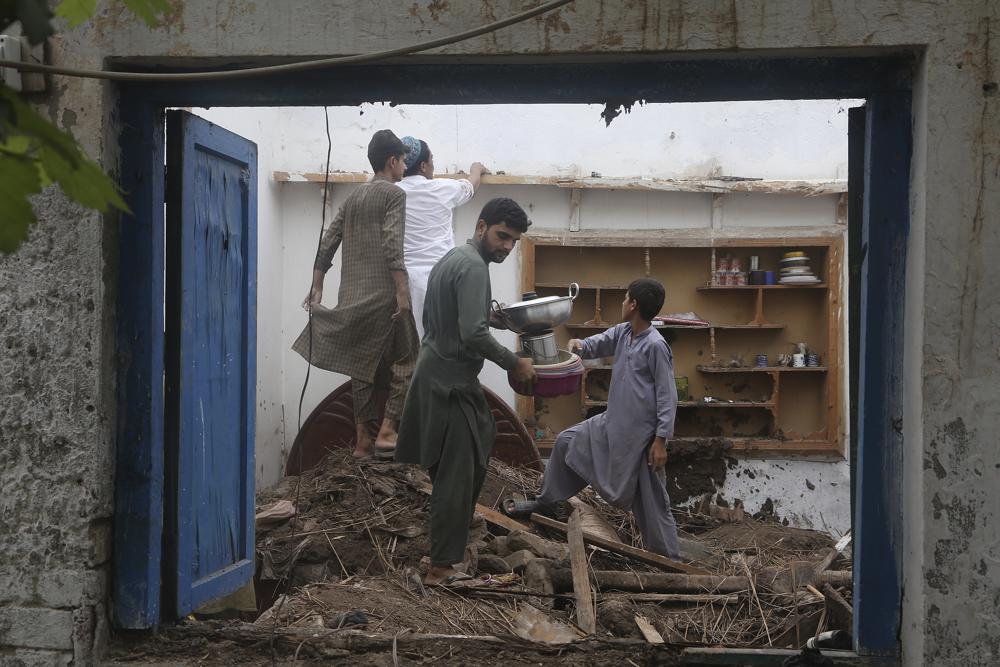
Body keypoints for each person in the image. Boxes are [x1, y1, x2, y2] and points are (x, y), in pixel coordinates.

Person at [395, 197, 537, 585]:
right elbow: (472, 334)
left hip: (438, 374)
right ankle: (442, 566)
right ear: (481, 227)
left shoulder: (454, 258)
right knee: (457, 475)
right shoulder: (475, 267)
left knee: (471, 455)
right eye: (502, 236)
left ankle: (446, 551)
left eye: (514, 241)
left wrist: (490, 316)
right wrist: (514, 362)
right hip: (449, 384)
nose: (507, 246)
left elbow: (453, 317)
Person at [530, 278, 681, 560]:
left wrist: (661, 441)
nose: (623, 302)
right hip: (611, 423)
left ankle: (669, 561)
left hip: (642, 438)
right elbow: (599, 343)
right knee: (566, 441)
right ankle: (547, 501)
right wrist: (580, 344)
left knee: (653, 501)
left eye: (625, 298)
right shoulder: (625, 332)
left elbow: (667, 396)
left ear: (633, 304)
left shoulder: (656, 346)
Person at [292, 129, 418, 460]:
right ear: (393, 161)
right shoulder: (394, 195)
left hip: (351, 297)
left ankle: (363, 441)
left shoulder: (353, 198)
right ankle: (388, 431)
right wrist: (402, 293)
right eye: (404, 161)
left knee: (362, 366)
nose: (405, 167)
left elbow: (328, 240)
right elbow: (392, 244)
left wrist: (318, 284)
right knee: (408, 358)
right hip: (384, 298)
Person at [396, 136, 489, 340]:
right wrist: (476, 169)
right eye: (431, 160)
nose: (433, 165)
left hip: (406, 281)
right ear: (423, 166)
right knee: (442, 340)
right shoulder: (442, 188)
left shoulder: (394, 192)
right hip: (442, 277)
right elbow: (471, 186)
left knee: (412, 343)